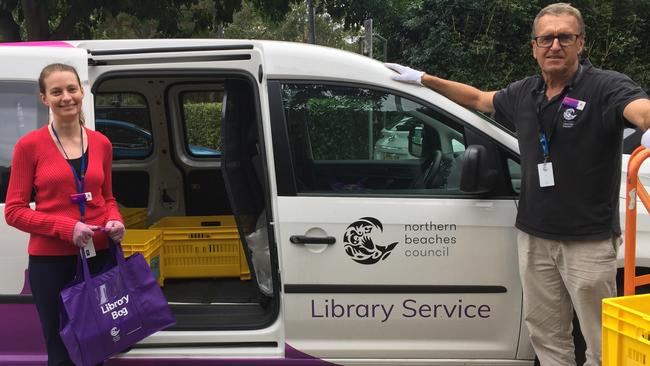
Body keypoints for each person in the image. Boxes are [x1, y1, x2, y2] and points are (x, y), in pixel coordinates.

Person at [387, 3, 650, 366]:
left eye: (564, 37)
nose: (554, 45)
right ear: (534, 47)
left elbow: (639, 109)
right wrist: (423, 80)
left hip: (588, 242)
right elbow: (479, 99)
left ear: (581, 43)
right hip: (535, 237)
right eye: (546, 38)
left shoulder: (605, 86)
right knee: (545, 332)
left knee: (600, 342)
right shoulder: (525, 93)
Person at [4, 63, 125, 366]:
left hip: (99, 256)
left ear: (82, 91)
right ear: (44, 98)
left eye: (71, 89)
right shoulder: (28, 146)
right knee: (61, 347)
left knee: (99, 340)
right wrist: (65, 227)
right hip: (51, 263)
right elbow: (15, 212)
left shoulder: (101, 144)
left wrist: (115, 220)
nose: (66, 97)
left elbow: (107, 198)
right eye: (56, 92)